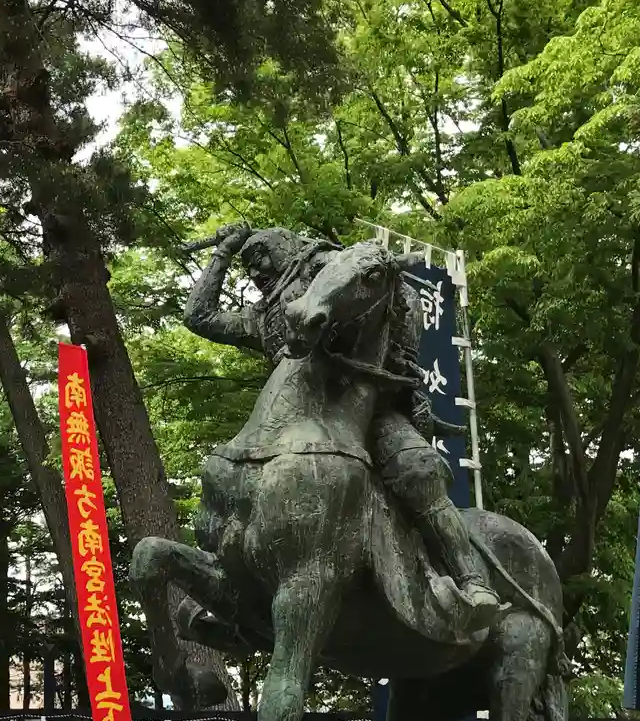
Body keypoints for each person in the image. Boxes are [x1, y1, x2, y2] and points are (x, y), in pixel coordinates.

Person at [183, 222, 500, 631]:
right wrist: (223, 252)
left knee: (418, 470)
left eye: (260, 255)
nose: (256, 270)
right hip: (290, 420)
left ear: (286, 245)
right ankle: (233, 590)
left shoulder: (331, 271)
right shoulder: (262, 319)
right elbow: (199, 316)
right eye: (248, 266)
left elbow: (387, 289)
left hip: (366, 409)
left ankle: (471, 579)